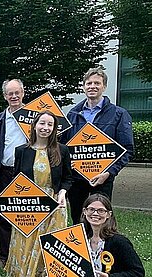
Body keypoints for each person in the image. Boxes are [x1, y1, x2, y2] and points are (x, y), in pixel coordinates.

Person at [5, 111, 72, 277]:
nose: (45, 128)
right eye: (42, 123)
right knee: (28, 242)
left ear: (54, 129)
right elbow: (16, 181)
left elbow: (68, 178)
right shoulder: (21, 151)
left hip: (54, 204)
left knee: (50, 245)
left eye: (50, 124)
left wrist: (62, 193)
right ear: (34, 125)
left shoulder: (62, 150)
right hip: (29, 205)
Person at [61, 68, 134, 226]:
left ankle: (100, 249)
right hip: (76, 178)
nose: (92, 86)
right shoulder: (72, 114)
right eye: (89, 83)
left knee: (100, 219)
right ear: (84, 87)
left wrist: (109, 173)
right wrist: (68, 163)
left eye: (97, 83)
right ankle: (81, 248)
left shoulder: (119, 114)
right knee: (77, 217)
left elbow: (127, 150)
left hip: (103, 178)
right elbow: (64, 147)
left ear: (104, 86)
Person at [0, 79, 28, 270]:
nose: (14, 96)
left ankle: (23, 256)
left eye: (17, 92)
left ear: (23, 92)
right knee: (4, 214)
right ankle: (4, 256)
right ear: (5, 96)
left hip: (27, 172)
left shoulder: (34, 117)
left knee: (26, 215)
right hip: (5, 172)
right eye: (10, 93)